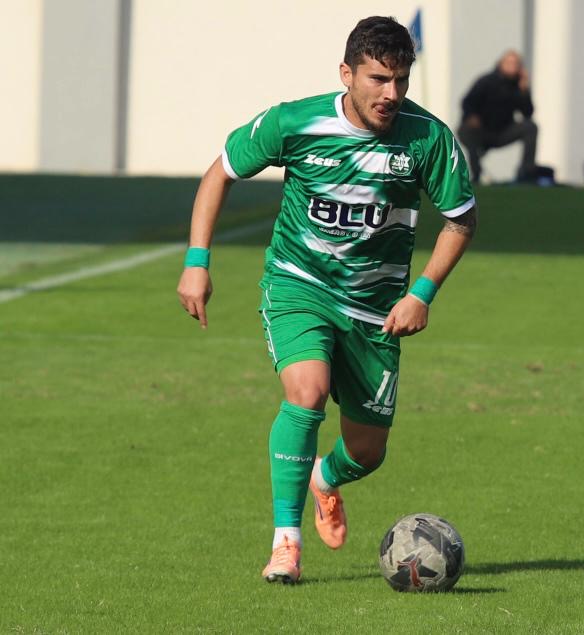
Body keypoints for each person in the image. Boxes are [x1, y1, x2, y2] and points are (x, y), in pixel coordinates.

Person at [176, 16, 476, 584]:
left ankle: (324, 478)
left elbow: (461, 220)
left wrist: (422, 293)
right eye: (378, 78)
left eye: (401, 80)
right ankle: (285, 544)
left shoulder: (428, 139)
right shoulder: (295, 122)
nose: (391, 93)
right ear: (346, 73)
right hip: (299, 284)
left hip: (376, 309)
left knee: (367, 452)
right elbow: (221, 172)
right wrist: (197, 261)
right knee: (307, 392)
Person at [458, 50, 538, 184]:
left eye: (516, 64)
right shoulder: (486, 81)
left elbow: (528, 114)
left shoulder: (518, 87)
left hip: (503, 132)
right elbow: (467, 102)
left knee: (530, 127)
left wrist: (524, 90)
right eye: (509, 63)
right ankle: (476, 175)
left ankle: (527, 173)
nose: (513, 66)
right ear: (501, 64)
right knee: (467, 131)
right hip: (481, 130)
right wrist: (471, 116)